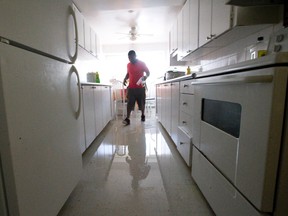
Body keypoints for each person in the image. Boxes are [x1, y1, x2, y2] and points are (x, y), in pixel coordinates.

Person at [122, 50, 150, 125]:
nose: (130, 59)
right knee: (129, 104)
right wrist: (125, 78)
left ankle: (143, 115)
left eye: (131, 57)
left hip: (140, 88)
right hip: (131, 88)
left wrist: (145, 76)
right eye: (129, 58)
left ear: (135, 56)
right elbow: (128, 73)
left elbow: (148, 72)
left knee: (141, 103)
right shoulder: (128, 65)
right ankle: (127, 119)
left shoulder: (142, 63)